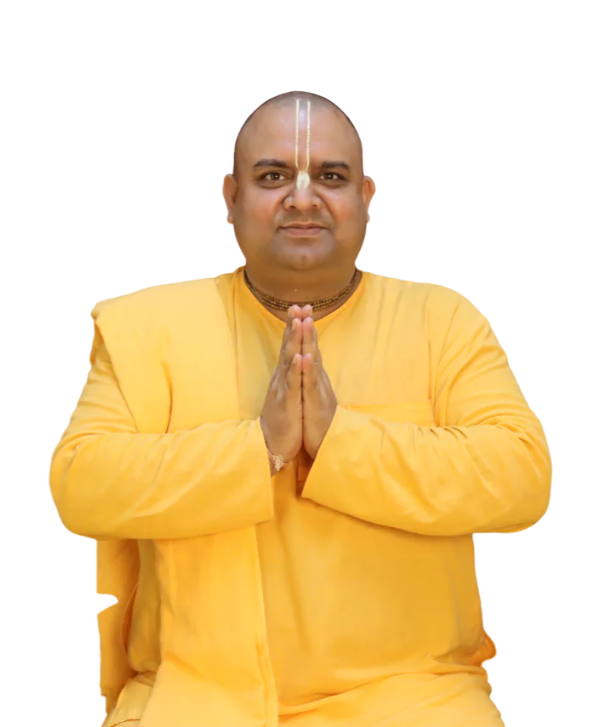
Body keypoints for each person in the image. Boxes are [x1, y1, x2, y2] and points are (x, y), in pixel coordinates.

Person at [49, 90, 552, 727]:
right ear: (231, 198)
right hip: (193, 695)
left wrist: (341, 440)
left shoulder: (440, 322)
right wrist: (259, 447)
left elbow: (522, 476)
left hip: (413, 696)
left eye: (331, 177)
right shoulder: (148, 329)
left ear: (366, 197)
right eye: (273, 177)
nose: (304, 198)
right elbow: (81, 483)